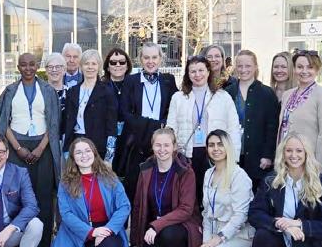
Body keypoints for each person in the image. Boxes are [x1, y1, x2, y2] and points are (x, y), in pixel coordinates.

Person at [0, 52, 62, 247]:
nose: (28, 68)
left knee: (44, 198)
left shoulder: (48, 90)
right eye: (23, 65)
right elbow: (3, 123)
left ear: (37, 66)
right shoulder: (10, 91)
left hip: (43, 147)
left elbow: (53, 123)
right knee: (17, 198)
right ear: (18, 67)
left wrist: (40, 149)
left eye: (32, 64)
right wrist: (18, 148)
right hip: (16, 147)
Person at [43, 138, 134, 247]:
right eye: (78, 152)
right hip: (76, 231)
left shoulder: (110, 177)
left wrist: (108, 229)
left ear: (94, 153)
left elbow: (124, 206)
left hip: (105, 228)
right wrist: (91, 232)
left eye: (87, 151)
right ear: (73, 157)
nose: (84, 155)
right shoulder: (65, 182)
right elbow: (66, 214)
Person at [129, 127, 202, 247]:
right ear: (152, 146)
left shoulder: (185, 171)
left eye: (166, 145)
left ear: (174, 146)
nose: (162, 150)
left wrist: (156, 226)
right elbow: (137, 206)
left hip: (179, 226)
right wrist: (135, 242)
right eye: (158, 145)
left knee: (170, 233)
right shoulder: (146, 169)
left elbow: (186, 209)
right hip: (154, 229)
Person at [169, 56, 241, 204]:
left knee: (213, 194)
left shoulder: (223, 97)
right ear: (188, 74)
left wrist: (234, 157)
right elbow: (171, 128)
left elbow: (233, 127)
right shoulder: (178, 98)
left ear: (208, 72)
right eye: (193, 71)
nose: (197, 75)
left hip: (215, 152)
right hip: (187, 154)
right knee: (189, 195)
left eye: (201, 70)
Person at [193, 130, 254, 247]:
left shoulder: (239, 175)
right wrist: (206, 241)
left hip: (239, 235)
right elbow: (206, 213)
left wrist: (219, 238)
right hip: (216, 233)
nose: (216, 149)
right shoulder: (208, 174)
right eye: (211, 145)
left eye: (220, 144)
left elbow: (241, 216)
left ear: (228, 147)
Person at [119, 43, 177, 185]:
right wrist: (150, 126)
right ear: (140, 59)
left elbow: (174, 109)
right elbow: (125, 112)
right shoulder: (130, 81)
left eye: (154, 57)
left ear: (160, 59)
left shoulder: (169, 80)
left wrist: (161, 126)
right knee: (136, 183)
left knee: (161, 182)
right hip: (137, 139)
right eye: (146, 57)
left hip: (162, 140)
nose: (150, 61)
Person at [224, 50, 279, 188]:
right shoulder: (228, 92)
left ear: (255, 67)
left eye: (248, 66)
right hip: (233, 155)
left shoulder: (267, 93)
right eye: (240, 66)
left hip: (258, 158)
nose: (243, 70)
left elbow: (272, 127)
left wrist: (268, 155)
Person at [278, 50, 322, 172]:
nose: (304, 71)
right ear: (294, 69)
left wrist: (317, 168)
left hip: (313, 164)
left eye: (310, 67)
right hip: (291, 162)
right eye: (300, 67)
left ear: (317, 69)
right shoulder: (287, 95)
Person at [64, 49, 117, 162]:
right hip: (75, 143)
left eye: (94, 64)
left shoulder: (107, 91)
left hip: (98, 146)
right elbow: (67, 122)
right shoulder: (72, 91)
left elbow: (112, 126)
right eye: (86, 63)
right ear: (81, 66)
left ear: (99, 67)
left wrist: (109, 157)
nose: (90, 67)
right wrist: (66, 150)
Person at [104, 47, 132, 164]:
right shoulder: (101, 87)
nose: (118, 65)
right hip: (107, 138)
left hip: (130, 138)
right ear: (107, 67)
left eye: (122, 62)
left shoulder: (135, 85)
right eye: (113, 62)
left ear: (127, 65)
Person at [44, 52, 68, 132]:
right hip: (43, 137)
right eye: (50, 67)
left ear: (64, 70)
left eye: (58, 67)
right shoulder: (39, 93)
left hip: (65, 137)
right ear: (46, 70)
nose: (54, 70)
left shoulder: (71, 93)